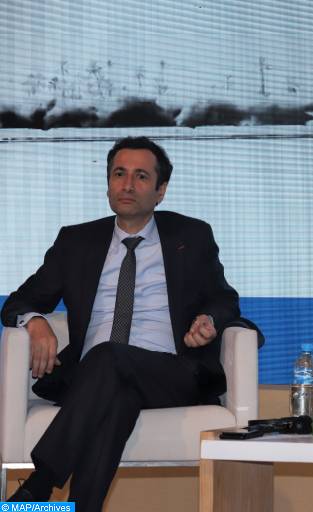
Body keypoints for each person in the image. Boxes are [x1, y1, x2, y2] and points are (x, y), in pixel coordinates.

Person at [1, 136, 242, 511]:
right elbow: (19, 302)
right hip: (93, 379)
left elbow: (225, 299)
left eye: (141, 176)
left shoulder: (191, 236)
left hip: (169, 373)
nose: (127, 185)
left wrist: (209, 320)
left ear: (161, 191)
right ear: (108, 183)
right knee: (117, 399)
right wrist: (34, 322)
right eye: (119, 174)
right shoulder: (76, 241)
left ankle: (39, 485)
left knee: (109, 356)